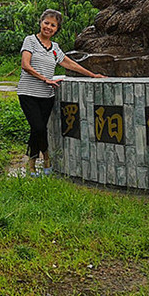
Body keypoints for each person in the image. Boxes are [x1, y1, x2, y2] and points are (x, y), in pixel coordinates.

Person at [18, 9, 105, 177]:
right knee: (38, 127)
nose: (48, 27)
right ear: (40, 23)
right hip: (28, 93)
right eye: (46, 23)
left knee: (39, 129)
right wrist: (45, 79)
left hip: (47, 96)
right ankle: (45, 159)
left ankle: (33, 164)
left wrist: (92, 74)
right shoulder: (30, 41)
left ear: (57, 29)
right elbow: (25, 65)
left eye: (53, 25)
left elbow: (70, 64)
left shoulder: (55, 48)